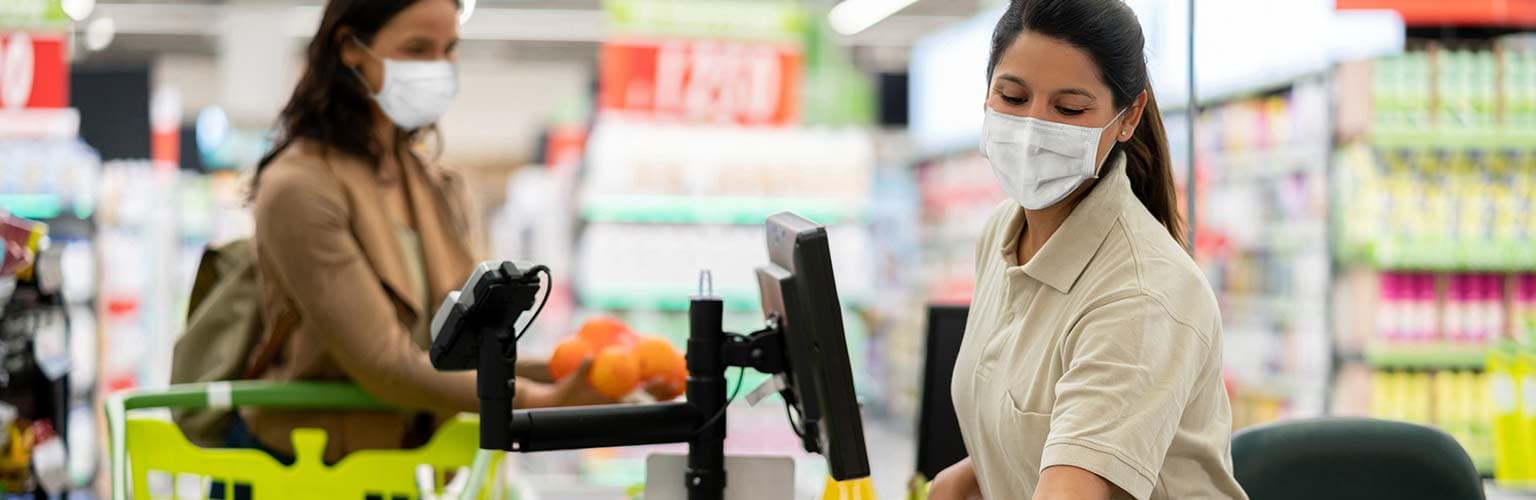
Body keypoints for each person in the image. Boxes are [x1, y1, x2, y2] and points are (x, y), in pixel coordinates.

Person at [242, 0, 612, 462]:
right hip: (306, 471)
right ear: (350, 49)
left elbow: (460, 351)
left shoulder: (439, 186)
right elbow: (384, 363)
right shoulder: (299, 187)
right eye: (417, 49)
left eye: (449, 48)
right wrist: (536, 400)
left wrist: (577, 373)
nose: (439, 68)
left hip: (408, 466)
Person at [927, 1, 1248, 499]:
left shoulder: (1143, 293)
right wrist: (974, 472)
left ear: (1128, 117)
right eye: (1012, 96)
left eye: (1069, 109)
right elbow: (1042, 417)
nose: (1033, 129)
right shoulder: (1002, 235)